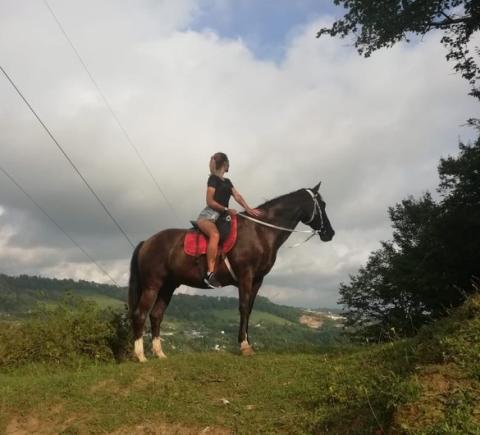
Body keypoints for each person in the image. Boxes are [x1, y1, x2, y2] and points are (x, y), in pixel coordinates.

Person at [196, 152, 263, 288]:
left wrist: (248, 208)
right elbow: (209, 201)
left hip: (222, 217)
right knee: (215, 235)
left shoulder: (227, 182)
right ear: (225, 164)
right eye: (229, 164)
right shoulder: (213, 179)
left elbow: (237, 196)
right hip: (208, 217)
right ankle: (210, 274)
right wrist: (226, 210)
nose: (229, 166)